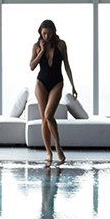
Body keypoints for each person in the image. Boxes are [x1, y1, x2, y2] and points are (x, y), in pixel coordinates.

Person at [29, 19, 77, 163]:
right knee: (44, 119)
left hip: (57, 82)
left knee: (49, 115)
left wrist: (73, 86)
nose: (47, 36)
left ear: (54, 32)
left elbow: (67, 65)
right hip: (41, 83)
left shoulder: (61, 44)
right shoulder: (36, 46)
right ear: (40, 32)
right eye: (44, 33)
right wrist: (42, 51)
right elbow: (31, 66)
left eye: (49, 34)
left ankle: (58, 146)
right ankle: (49, 153)